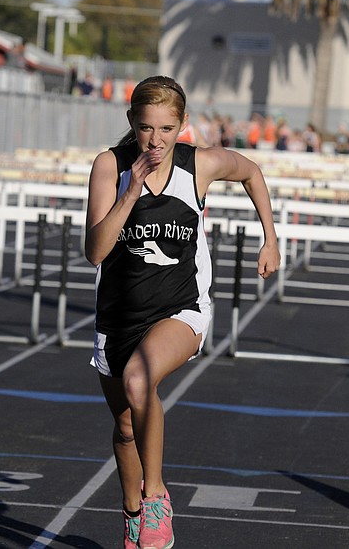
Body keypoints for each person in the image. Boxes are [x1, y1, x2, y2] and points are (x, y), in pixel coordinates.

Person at [85, 75, 280, 549]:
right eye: (147, 128)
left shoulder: (201, 166)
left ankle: (156, 499)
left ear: (183, 125)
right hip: (118, 317)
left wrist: (270, 236)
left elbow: (251, 169)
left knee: (138, 381)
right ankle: (133, 516)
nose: (156, 140)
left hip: (181, 309)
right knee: (127, 425)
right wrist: (129, 192)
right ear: (132, 122)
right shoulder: (110, 166)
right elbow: (95, 251)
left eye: (168, 129)